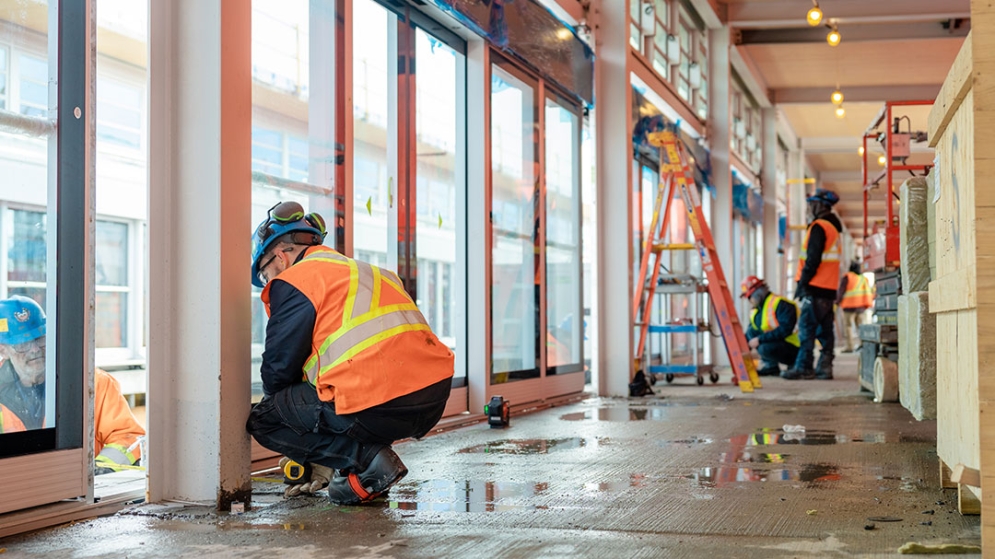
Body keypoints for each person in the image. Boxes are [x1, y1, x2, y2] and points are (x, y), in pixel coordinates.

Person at [246, 201, 454, 505]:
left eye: (265, 275)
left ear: (279, 256)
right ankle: (367, 469)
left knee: (265, 418)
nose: (268, 282)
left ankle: (367, 460)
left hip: (380, 402)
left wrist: (307, 443)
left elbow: (279, 370)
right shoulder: (373, 272)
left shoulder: (297, 279)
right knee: (344, 410)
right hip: (432, 400)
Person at [0, 296, 145, 472]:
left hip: (76, 485)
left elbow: (127, 436)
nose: (35, 349)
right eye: (23, 344)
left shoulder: (92, 383)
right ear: (3, 349)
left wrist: (99, 471)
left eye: (40, 339)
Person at [783, 188, 843, 381]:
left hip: (815, 288)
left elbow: (812, 259)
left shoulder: (819, 227)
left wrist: (802, 284)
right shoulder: (833, 229)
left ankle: (804, 367)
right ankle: (825, 368)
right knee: (825, 331)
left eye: (811, 204)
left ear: (820, 206)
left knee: (807, 330)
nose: (809, 208)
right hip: (828, 289)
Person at [741, 276, 800, 377]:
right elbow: (751, 332)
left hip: (793, 346)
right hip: (777, 343)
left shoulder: (781, 304)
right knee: (751, 332)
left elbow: (785, 330)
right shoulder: (757, 310)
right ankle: (770, 366)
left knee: (764, 347)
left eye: (750, 297)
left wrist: (760, 339)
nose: (749, 300)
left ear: (758, 293)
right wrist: (743, 348)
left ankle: (793, 363)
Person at [837, 261, 874, 353]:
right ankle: (862, 345)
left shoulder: (848, 277)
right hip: (861, 307)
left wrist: (837, 301)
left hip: (849, 307)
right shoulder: (863, 278)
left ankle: (850, 347)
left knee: (848, 327)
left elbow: (841, 290)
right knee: (861, 327)